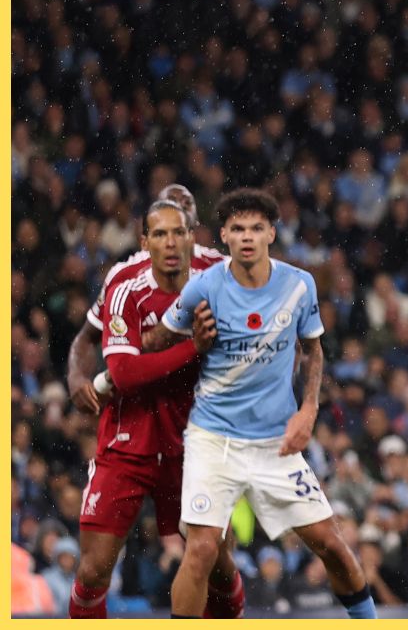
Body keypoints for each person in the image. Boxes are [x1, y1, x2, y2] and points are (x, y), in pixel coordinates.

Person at [158, 188, 376, 619]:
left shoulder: (299, 285)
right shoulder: (204, 285)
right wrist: (192, 346)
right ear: (223, 235)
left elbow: (313, 351)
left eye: (256, 228)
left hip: (277, 444)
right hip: (213, 440)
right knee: (201, 550)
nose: (247, 237)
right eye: (237, 229)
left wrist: (308, 411)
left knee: (330, 544)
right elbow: (159, 340)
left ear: (271, 234)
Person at [71, 200, 243, 619]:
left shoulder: (219, 283)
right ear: (144, 241)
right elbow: (124, 374)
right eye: (160, 233)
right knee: (93, 569)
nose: (170, 242)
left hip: (195, 446)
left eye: (178, 232)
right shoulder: (124, 286)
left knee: (218, 565)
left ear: (192, 237)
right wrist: (193, 348)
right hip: (128, 442)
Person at [67, 184, 225, 415]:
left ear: (193, 226)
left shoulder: (221, 269)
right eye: (168, 205)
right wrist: (76, 376)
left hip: (206, 414)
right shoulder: (123, 276)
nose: (176, 209)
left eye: (184, 205)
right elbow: (87, 336)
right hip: (140, 411)